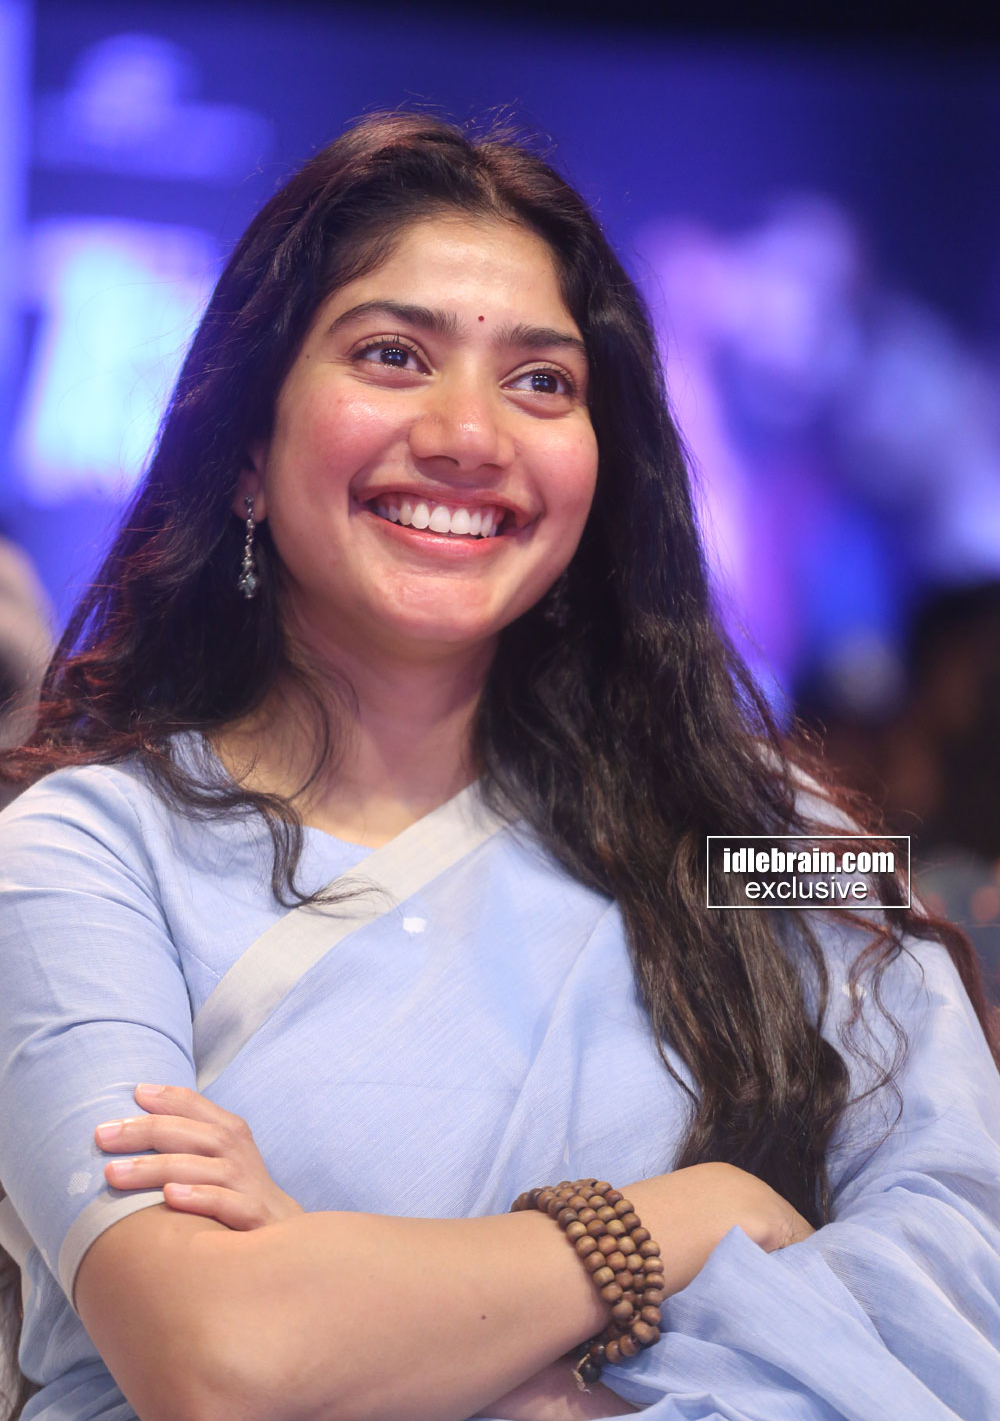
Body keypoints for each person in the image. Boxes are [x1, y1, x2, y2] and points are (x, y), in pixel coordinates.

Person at [0, 111, 997, 1421]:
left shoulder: (766, 836)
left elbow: (958, 1252)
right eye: (392, 355)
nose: (470, 433)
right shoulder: (78, 858)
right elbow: (219, 1361)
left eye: (541, 381)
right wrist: (689, 1217)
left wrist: (435, 1342)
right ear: (246, 449)